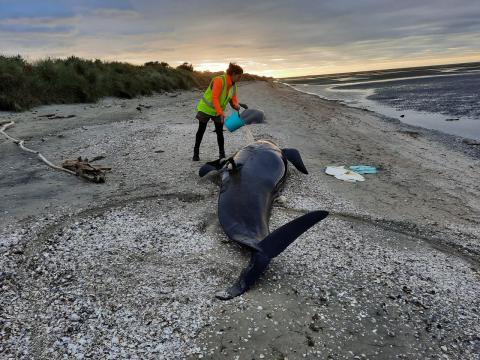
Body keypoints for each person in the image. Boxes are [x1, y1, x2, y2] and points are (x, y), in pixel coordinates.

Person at [193, 63, 243, 161]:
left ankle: (222, 155)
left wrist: (236, 105)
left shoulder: (234, 86)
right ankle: (196, 153)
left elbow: (233, 99)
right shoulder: (219, 80)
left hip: (218, 110)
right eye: (239, 76)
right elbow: (214, 97)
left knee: (220, 132)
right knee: (201, 130)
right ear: (233, 74)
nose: (240, 78)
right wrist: (220, 113)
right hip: (206, 108)